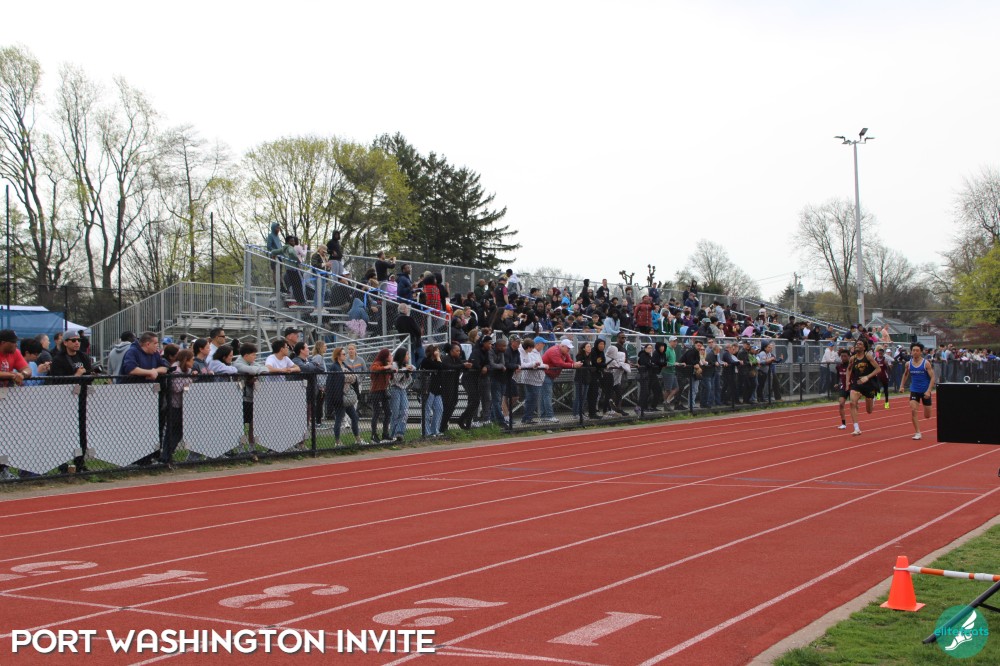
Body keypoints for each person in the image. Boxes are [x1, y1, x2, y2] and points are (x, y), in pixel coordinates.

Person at [325, 347, 366, 447]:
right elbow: (332, 383)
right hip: (339, 398)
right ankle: (337, 442)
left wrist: (349, 378)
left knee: (354, 417)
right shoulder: (334, 367)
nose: (345, 355)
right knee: (339, 419)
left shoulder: (344, 365)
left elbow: (354, 377)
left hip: (347, 397)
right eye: (343, 354)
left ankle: (358, 439)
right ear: (338, 356)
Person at [162, 349, 195, 469]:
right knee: (171, 431)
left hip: (184, 406)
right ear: (186, 360)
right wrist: (189, 381)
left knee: (179, 432)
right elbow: (176, 387)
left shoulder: (188, 371)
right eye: (191, 360)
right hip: (174, 405)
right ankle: (166, 456)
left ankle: (169, 454)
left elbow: (188, 383)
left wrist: (188, 381)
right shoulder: (175, 370)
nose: (193, 362)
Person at [899, 342, 936, 441]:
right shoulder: (908, 364)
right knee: (913, 410)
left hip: (925, 391)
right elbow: (905, 374)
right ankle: (918, 432)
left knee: (927, 416)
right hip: (914, 390)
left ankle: (926, 408)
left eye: (917, 350)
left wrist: (929, 391)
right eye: (913, 350)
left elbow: (933, 378)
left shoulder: (926, 363)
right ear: (911, 352)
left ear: (921, 352)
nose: (915, 352)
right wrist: (902, 386)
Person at [540, 339, 582, 422]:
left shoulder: (564, 352)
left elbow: (569, 361)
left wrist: (574, 364)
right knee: (547, 395)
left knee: (545, 395)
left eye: (569, 348)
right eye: (567, 348)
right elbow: (559, 363)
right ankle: (549, 416)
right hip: (545, 374)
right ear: (562, 346)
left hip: (550, 375)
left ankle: (544, 416)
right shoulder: (554, 351)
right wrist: (573, 365)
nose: (569, 350)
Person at [846, 338, 879, 436]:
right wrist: (847, 382)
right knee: (852, 403)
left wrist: (867, 377)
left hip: (868, 384)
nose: (857, 345)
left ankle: (872, 400)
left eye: (860, 344)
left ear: (864, 347)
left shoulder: (868, 356)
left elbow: (878, 369)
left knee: (869, 411)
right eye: (856, 344)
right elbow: (849, 369)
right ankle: (856, 428)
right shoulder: (852, 358)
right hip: (857, 383)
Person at [517, 337, 547, 424]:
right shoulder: (529, 353)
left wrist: (540, 365)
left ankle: (528, 418)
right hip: (531, 379)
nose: (543, 345)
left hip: (536, 379)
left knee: (533, 399)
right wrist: (541, 365)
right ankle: (527, 418)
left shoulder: (536, 353)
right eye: (542, 343)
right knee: (531, 399)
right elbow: (526, 364)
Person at [388, 347, 415, 442]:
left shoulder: (406, 365)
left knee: (405, 412)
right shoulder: (394, 364)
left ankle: (399, 433)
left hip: (403, 390)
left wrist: (409, 370)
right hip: (395, 389)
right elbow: (395, 379)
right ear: (402, 355)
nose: (408, 356)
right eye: (406, 354)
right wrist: (404, 370)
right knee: (395, 413)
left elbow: (409, 380)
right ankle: (392, 435)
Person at [420, 344, 445, 437]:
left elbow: (442, 368)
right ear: (433, 352)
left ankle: (435, 430)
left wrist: (438, 358)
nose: (439, 352)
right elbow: (439, 366)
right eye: (437, 351)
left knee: (439, 409)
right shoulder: (426, 361)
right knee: (426, 411)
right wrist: (438, 357)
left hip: (437, 389)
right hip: (428, 390)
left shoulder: (437, 361)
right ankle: (426, 432)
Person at [369, 348, 393, 444]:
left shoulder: (386, 364)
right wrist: (386, 367)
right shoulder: (377, 363)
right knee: (376, 412)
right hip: (376, 391)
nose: (390, 356)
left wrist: (390, 367)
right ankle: (373, 435)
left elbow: (391, 376)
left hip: (384, 391)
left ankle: (385, 434)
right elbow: (374, 369)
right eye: (389, 355)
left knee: (388, 412)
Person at [573, 342, 593, 420]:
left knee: (584, 397)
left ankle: (581, 412)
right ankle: (576, 413)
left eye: (590, 346)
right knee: (579, 396)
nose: (589, 348)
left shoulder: (590, 356)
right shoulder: (580, 356)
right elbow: (583, 364)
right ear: (584, 348)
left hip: (587, 379)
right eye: (588, 346)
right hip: (580, 379)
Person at [834, 349, 851, 430]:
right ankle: (843, 424)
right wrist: (837, 383)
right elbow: (838, 376)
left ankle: (855, 422)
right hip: (843, 387)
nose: (843, 358)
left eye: (845, 356)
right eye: (842, 356)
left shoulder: (851, 366)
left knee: (853, 404)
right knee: (841, 404)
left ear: (849, 357)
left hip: (852, 387)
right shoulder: (839, 366)